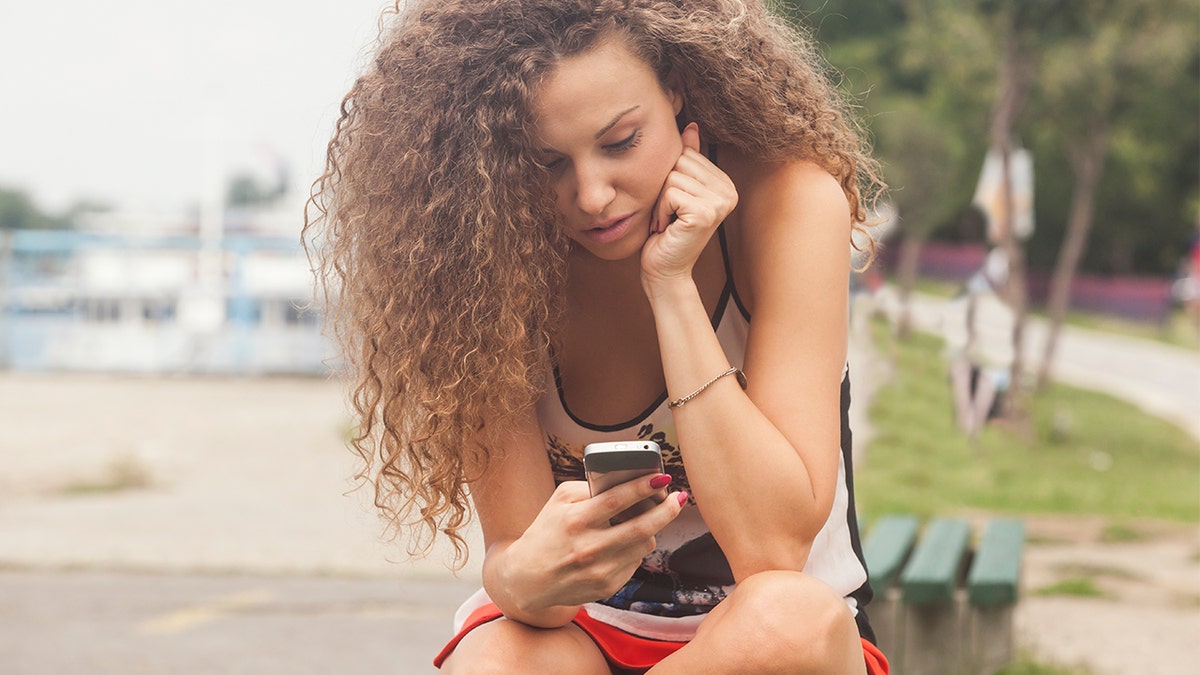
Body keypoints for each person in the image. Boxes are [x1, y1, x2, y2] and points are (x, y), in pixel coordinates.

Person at [304, 1, 888, 672]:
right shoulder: (479, 263)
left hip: (765, 639)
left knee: (791, 625)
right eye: (547, 163)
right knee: (502, 660)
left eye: (620, 142)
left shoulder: (788, 200)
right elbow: (524, 572)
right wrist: (519, 574)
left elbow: (772, 552)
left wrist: (671, 285)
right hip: (583, 629)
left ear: (676, 85)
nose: (593, 196)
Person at [942, 248, 1015, 439]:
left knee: (966, 372)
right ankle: (971, 424)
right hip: (986, 354)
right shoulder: (1002, 294)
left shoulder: (979, 289)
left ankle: (967, 421)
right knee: (976, 374)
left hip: (984, 353)